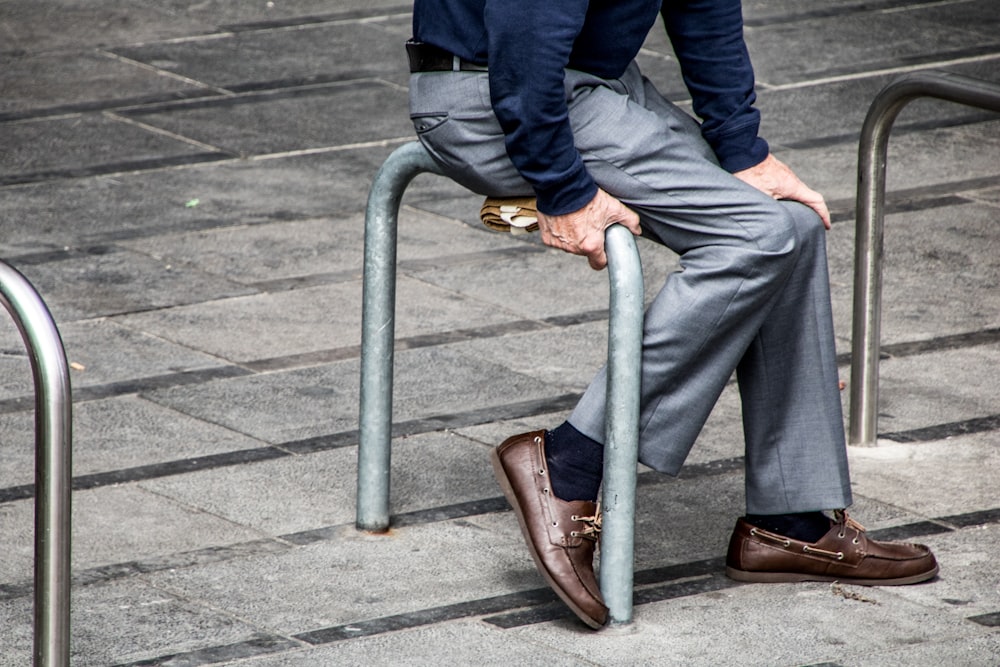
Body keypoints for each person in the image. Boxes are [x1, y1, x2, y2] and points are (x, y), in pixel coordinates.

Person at [407, 0, 939, 629]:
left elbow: (703, 5)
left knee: (790, 226)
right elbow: (526, 34)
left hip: (595, 87)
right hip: (493, 91)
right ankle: (570, 460)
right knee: (757, 235)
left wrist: (744, 150)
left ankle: (788, 521)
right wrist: (562, 186)